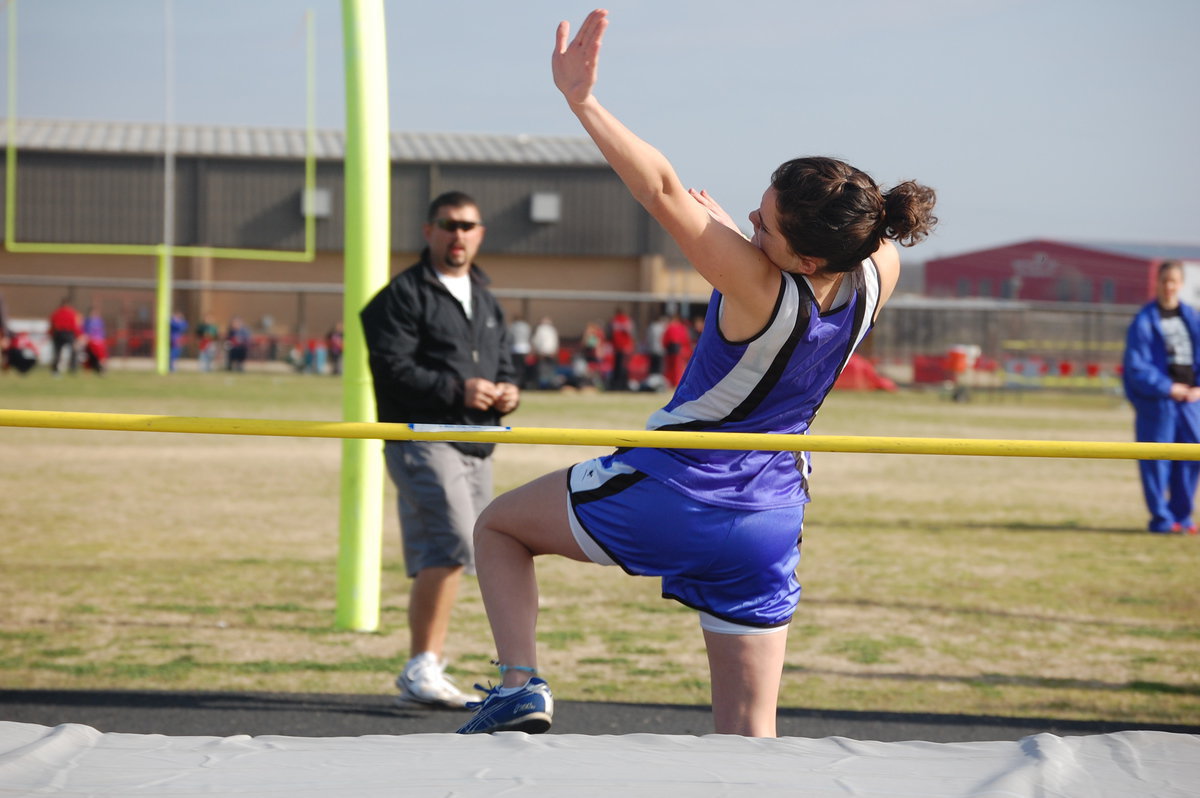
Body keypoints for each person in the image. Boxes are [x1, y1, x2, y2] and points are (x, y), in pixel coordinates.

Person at [455, 9, 937, 737]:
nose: (748, 219)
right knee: (749, 735)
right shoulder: (881, 269)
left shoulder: (757, 286)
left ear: (805, 259)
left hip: (676, 492)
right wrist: (748, 244)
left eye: (764, 225)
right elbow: (846, 243)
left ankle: (518, 683)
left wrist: (581, 99)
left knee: (497, 528)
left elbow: (662, 190)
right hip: (771, 519)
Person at [361, 190, 520, 709]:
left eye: (468, 226)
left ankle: (422, 666)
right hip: (422, 435)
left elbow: (500, 362)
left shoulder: (484, 294)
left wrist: (507, 389)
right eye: (448, 225)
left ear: (480, 234)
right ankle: (422, 665)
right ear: (429, 231)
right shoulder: (403, 295)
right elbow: (391, 366)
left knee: (457, 549)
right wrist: (459, 389)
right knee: (455, 542)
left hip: (477, 439)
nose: (458, 235)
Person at [1122, 260, 1200, 534]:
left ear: (1181, 284)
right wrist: (1167, 387)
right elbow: (1136, 367)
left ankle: (1183, 517)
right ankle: (1162, 519)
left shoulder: (1191, 318)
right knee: (1156, 460)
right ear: (1157, 282)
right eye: (1164, 280)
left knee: (1192, 458)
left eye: (1173, 281)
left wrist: (1196, 389)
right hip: (1160, 403)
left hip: (1191, 403)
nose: (1168, 286)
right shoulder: (1144, 321)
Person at [49, 297, 82, 375]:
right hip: (68, 333)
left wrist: (50, 334)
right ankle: (73, 369)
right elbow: (74, 325)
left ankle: (55, 370)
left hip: (58, 333)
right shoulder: (72, 313)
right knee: (74, 350)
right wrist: (78, 335)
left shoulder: (56, 313)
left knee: (57, 352)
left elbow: (52, 325)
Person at [607, 306, 635, 390]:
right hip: (625, 347)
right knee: (624, 367)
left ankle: (616, 384)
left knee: (617, 367)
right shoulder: (627, 320)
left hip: (617, 347)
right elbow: (631, 333)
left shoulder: (613, 321)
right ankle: (624, 384)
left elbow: (610, 334)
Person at [532, 316, 560, 389]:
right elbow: (555, 342)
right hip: (551, 352)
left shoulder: (540, 329)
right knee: (550, 370)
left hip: (543, 352)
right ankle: (551, 385)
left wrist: (537, 351)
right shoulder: (553, 329)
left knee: (543, 370)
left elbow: (537, 341)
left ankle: (543, 386)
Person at [80, 307, 108, 374]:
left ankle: (102, 368)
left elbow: (102, 332)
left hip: (98, 341)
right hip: (90, 341)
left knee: (101, 356)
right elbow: (84, 331)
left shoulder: (99, 321)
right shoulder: (87, 321)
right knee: (89, 355)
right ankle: (91, 368)